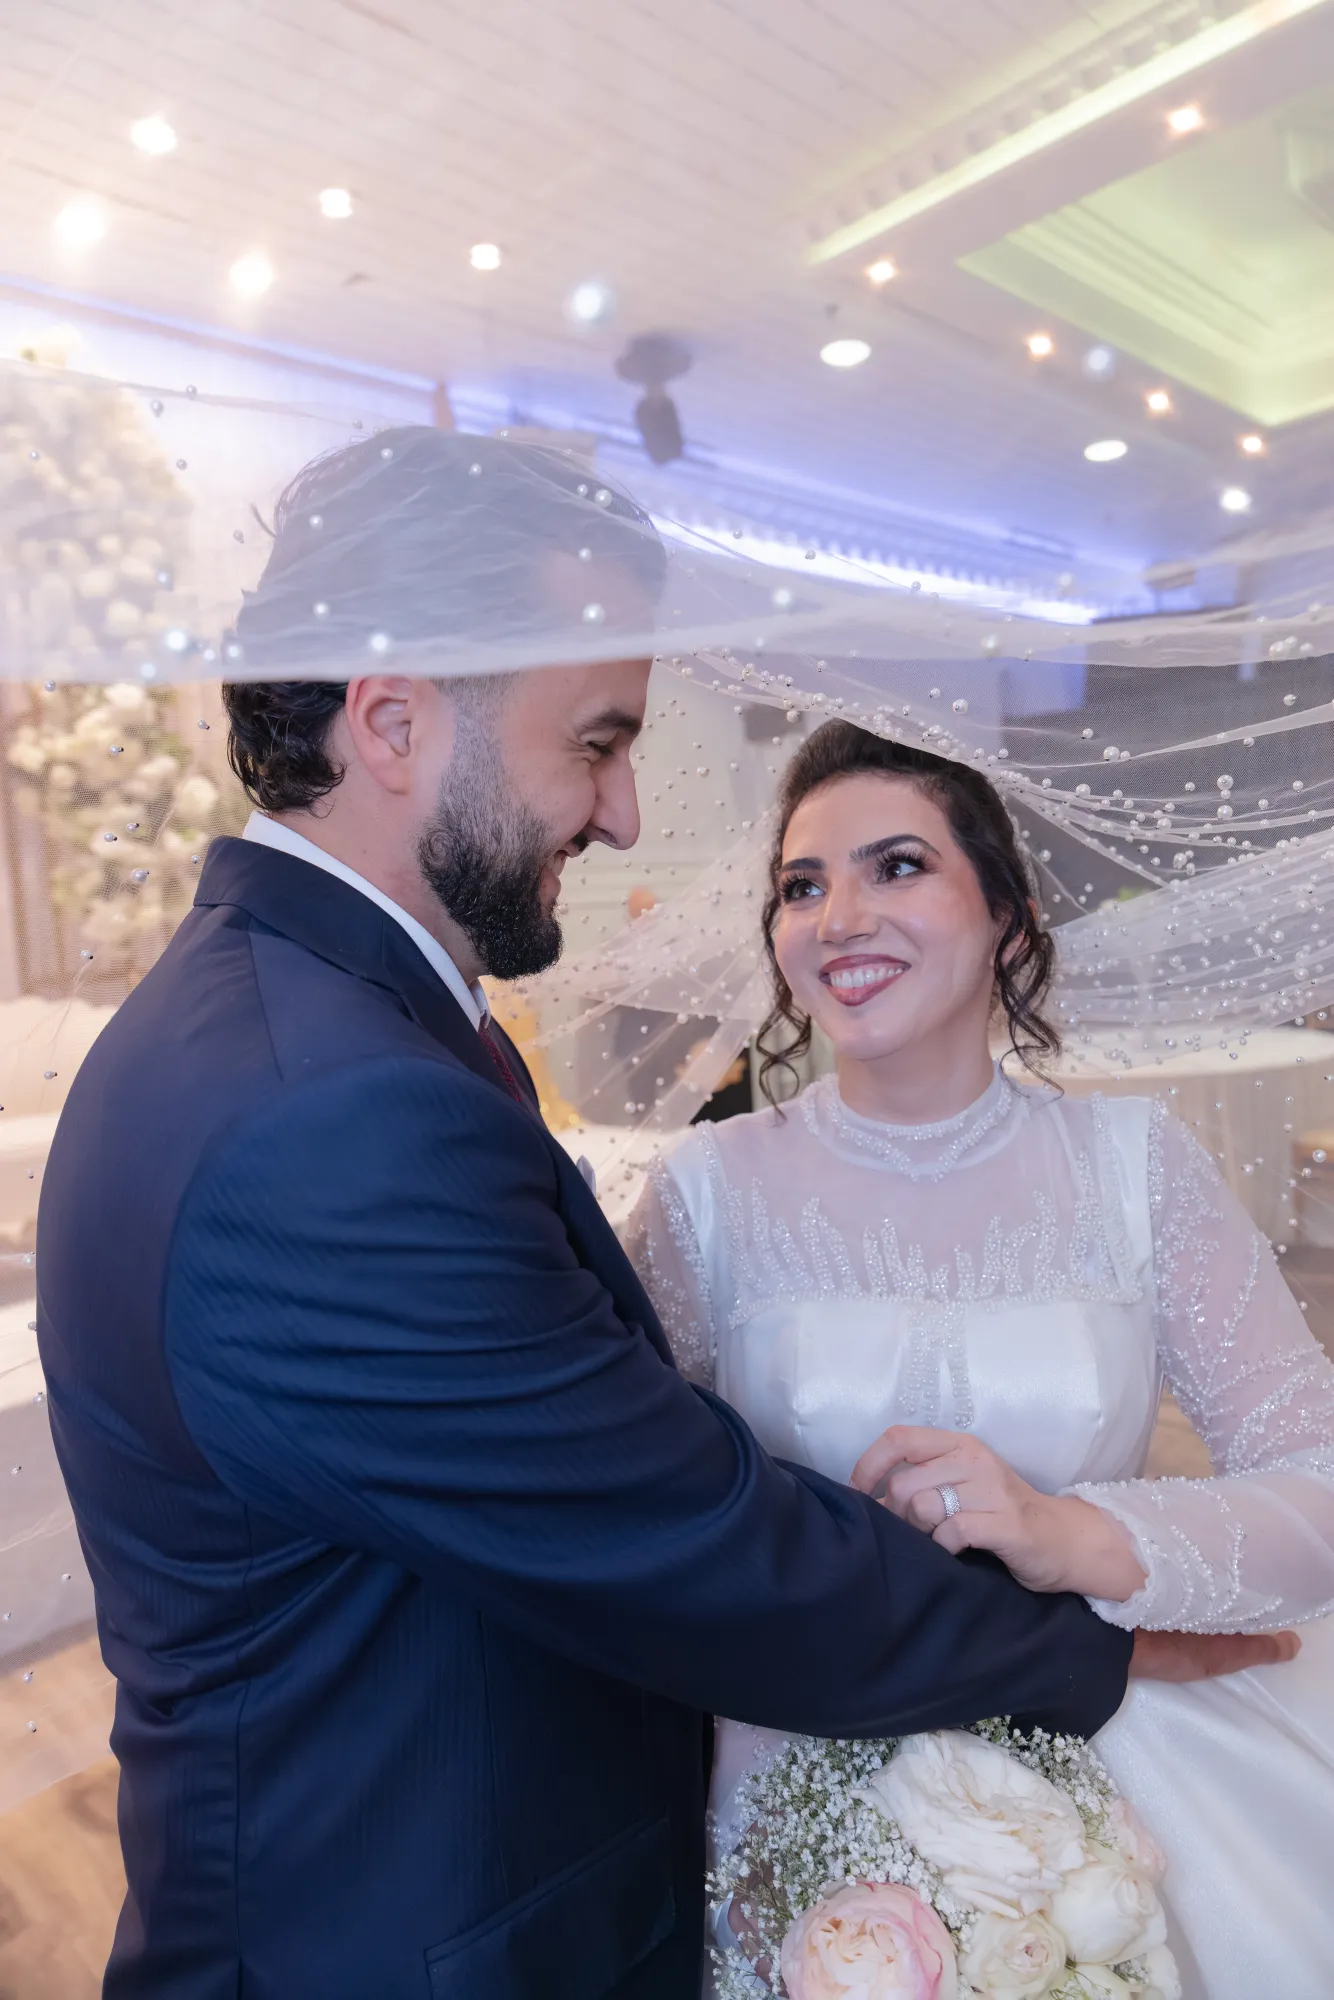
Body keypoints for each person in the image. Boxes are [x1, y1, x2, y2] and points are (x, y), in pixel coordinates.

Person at [36, 434, 1278, 2000]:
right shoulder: (326, 1108)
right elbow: (672, 1529)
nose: (625, 817)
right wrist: (1088, 1648)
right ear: (396, 719)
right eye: (599, 742)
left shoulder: (330, 1028)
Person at [627, 719, 1334, 2000]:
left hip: (1116, 1748)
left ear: (1006, 914)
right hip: (778, 1771)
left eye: (895, 865)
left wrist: (1072, 1531)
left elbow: (1319, 1485)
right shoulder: (705, 1193)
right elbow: (626, 1511)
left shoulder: (1132, 1166)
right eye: (801, 884)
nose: (838, 914)